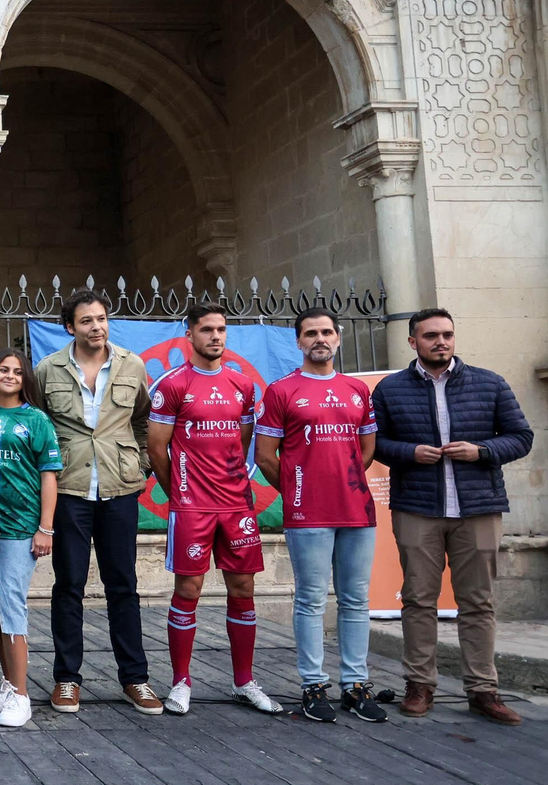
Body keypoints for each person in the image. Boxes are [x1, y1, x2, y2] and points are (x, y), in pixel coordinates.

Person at [371, 308, 534, 725]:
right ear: (413, 342)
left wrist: (482, 451)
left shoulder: (489, 383)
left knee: (478, 601)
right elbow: (375, 442)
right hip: (417, 508)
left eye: (447, 334)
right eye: (430, 336)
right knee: (417, 599)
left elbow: (521, 437)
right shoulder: (390, 389)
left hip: (478, 508)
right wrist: (410, 453)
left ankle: (483, 690)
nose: (440, 341)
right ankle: (419, 685)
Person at [146, 303, 282, 716]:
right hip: (192, 508)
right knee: (188, 590)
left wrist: (227, 484)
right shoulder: (173, 384)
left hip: (236, 505)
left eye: (221, 329)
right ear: (190, 334)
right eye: (207, 329)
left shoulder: (243, 385)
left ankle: (244, 682)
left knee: (243, 590)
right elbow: (157, 448)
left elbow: (242, 443)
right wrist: (180, 493)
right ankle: (181, 682)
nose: (216, 336)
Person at [32, 290, 162, 714]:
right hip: (69, 489)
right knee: (68, 585)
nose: (96, 327)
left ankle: (135, 679)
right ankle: (67, 679)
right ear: (70, 327)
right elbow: (39, 425)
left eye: (101, 319)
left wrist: (139, 464)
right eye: (86, 321)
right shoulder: (47, 370)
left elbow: (142, 419)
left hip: (119, 488)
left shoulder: (131, 365)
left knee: (123, 585)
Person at [254, 308, 380, 723]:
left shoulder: (357, 390)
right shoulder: (281, 391)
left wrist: (345, 482)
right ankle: (313, 685)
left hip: (356, 510)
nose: (319, 339)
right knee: (310, 599)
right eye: (311, 333)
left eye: (326, 332)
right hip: (308, 513)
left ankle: (355, 685)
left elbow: (366, 448)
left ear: (338, 338)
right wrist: (299, 490)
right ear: (299, 341)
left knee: (355, 599)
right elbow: (265, 456)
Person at [0, 350, 58, 728]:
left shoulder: (37, 420)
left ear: (25, 379)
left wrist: (45, 528)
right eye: (3, 370)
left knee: (11, 605)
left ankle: (22, 696)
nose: (9, 376)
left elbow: (49, 475)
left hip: (20, 529)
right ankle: (8, 684)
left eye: (17, 372)